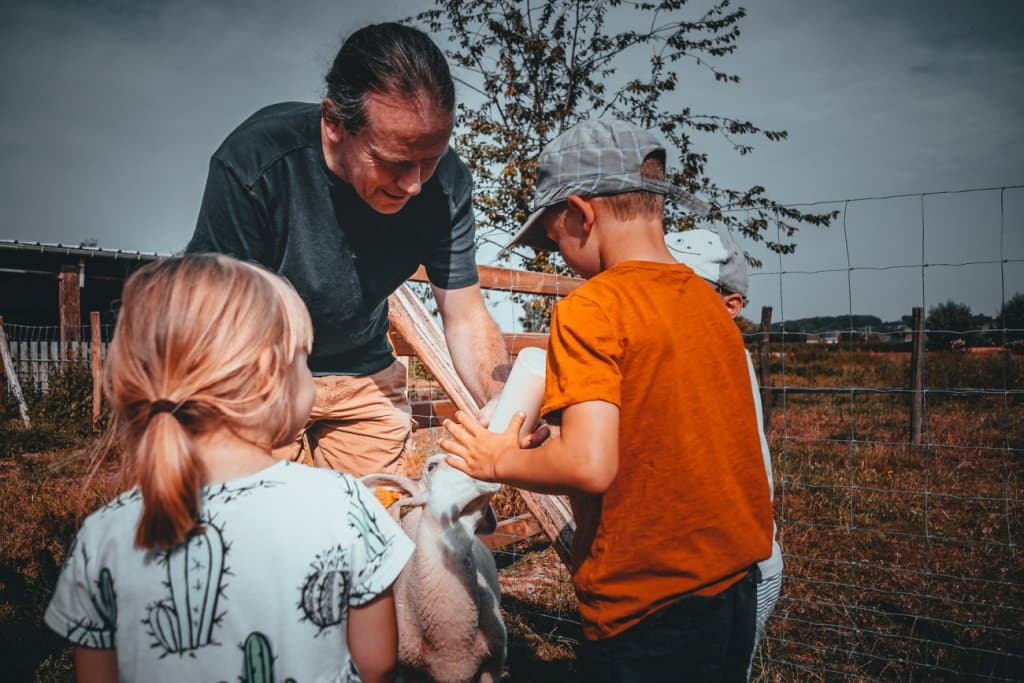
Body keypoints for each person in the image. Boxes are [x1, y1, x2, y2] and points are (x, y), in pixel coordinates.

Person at [440, 119, 774, 681]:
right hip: (734, 587)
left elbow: (590, 466)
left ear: (580, 214)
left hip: (644, 607)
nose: (557, 253)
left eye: (553, 238)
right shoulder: (709, 306)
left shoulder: (591, 308)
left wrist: (494, 459)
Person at [44, 254, 413, 682]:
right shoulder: (346, 503)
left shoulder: (102, 535)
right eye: (303, 360)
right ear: (266, 375)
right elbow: (378, 661)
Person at [186, 22, 510, 477]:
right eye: (396, 162)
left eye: (431, 158)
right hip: (264, 377)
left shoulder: (447, 187)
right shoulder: (256, 163)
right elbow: (219, 318)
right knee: (277, 527)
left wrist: (501, 399)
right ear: (335, 123)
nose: (416, 185)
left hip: (366, 378)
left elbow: (465, 315)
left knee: (374, 529)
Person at [673, 228, 785, 679]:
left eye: (684, 288)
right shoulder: (707, 351)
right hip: (722, 566)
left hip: (739, 572)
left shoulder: (713, 356)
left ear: (730, 305)